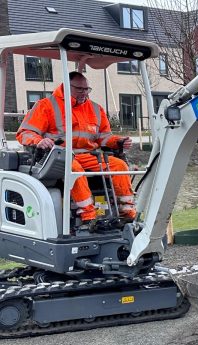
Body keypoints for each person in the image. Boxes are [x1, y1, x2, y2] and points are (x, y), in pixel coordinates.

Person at [17, 71, 135, 228]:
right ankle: (89, 218)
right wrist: (39, 140)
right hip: (58, 156)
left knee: (120, 167)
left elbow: (103, 137)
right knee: (74, 169)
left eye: (87, 89)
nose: (84, 93)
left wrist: (118, 142)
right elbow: (25, 133)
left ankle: (127, 216)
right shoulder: (46, 106)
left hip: (88, 155)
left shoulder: (95, 109)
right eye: (80, 89)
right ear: (67, 86)